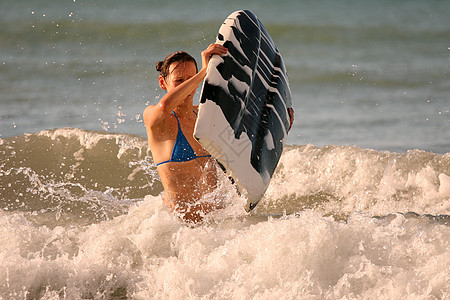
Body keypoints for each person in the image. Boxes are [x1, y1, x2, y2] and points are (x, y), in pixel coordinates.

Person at [144, 43, 294, 223]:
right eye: (179, 81)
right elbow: (165, 106)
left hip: (217, 226)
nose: (188, 86)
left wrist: (278, 127)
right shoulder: (156, 118)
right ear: (163, 83)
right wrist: (204, 72)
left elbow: (246, 143)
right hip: (180, 229)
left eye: (190, 78)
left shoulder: (206, 116)